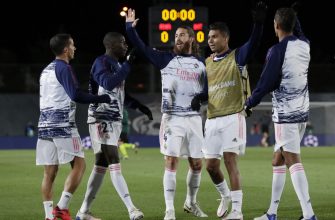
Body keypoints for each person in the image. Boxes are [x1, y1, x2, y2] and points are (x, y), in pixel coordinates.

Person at [125, 8, 208, 220]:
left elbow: (207, 91)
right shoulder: (165, 59)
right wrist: (130, 28)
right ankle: (169, 209)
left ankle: (191, 202)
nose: (177, 38)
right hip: (172, 118)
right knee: (171, 162)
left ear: (191, 38)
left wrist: (203, 97)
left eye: (181, 34)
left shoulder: (201, 63)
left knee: (197, 164)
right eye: (175, 36)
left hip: (194, 119)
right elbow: (142, 48)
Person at [190, 2, 267, 219]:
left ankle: (237, 211)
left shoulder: (237, 56)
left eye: (214, 36)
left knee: (230, 161)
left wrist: (258, 24)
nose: (210, 40)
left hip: (233, 115)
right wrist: (198, 98)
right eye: (208, 37)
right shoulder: (207, 62)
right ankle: (225, 196)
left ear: (225, 38)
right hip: (212, 118)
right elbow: (207, 91)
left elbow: (254, 43)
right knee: (211, 167)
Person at [244, 6, 318, 220]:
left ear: (275, 26)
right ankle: (272, 213)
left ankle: (309, 214)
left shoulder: (277, 51)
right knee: (278, 159)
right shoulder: (305, 45)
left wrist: (250, 102)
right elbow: (300, 32)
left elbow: (266, 82)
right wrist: (296, 16)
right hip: (302, 110)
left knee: (293, 159)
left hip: (286, 114)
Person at [76, 32, 152, 220]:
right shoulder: (101, 62)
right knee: (113, 158)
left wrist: (140, 106)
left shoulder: (117, 65)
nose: (125, 46)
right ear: (111, 45)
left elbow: (119, 94)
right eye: (122, 43)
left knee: (101, 164)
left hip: (114, 119)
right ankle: (132, 209)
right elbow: (108, 83)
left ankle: (83, 211)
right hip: (101, 116)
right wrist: (128, 64)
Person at [36, 33, 111, 220]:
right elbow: (76, 95)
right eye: (73, 45)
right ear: (65, 49)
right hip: (63, 125)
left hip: (44, 125)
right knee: (80, 164)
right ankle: (62, 207)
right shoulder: (64, 68)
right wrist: (102, 98)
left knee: (49, 172)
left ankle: (48, 216)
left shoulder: (45, 70)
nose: (75, 48)